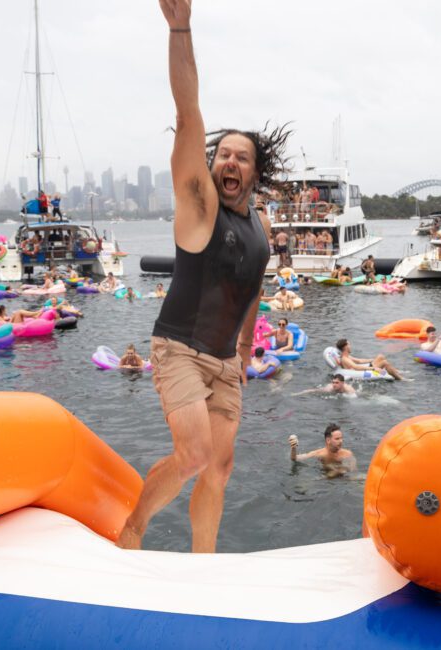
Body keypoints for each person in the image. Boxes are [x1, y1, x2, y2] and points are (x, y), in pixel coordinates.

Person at [116, 0, 289, 553]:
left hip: (224, 361)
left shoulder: (258, 223)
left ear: (255, 173)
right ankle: (132, 529)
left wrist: (242, 350)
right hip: (180, 348)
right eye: (224, 156)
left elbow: (254, 282)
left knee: (219, 467)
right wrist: (180, 28)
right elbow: (189, 115)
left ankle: (203, 567)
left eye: (243, 158)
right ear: (212, 166)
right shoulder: (201, 209)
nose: (231, 163)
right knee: (191, 454)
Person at [289, 423, 357, 477]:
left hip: (343, 478)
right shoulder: (320, 454)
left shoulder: (348, 454)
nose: (341, 441)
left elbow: (353, 471)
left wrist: (339, 470)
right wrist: (293, 448)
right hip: (324, 478)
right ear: (328, 440)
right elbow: (295, 458)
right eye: (337, 439)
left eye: (341, 438)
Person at [336, 338, 406, 380]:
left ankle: (396, 371)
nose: (350, 346)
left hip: (364, 368)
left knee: (380, 356)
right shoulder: (345, 359)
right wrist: (373, 368)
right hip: (361, 372)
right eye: (349, 344)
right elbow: (356, 367)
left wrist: (372, 359)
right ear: (345, 347)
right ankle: (400, 378)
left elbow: (359, 361)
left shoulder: (347, 356)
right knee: (384, 362)